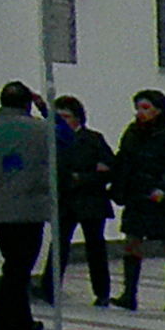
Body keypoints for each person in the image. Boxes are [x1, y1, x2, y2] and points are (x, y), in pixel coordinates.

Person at [0, 82, 56, 330]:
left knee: (14, 263)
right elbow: (67, 137)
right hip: (31, 208)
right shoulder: (42, 130)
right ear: (28, 103)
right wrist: (46, 109)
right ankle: (1, 326)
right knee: (19, 269)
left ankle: (23, 320)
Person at [113, 87, 165, 312]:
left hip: (164, 199)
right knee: (132, 243)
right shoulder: (132, 133)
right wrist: (118, 188)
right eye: (138, 108)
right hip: (137, 196)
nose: (140, 113)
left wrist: (163, 188)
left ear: (159, 111)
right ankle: (129, 294)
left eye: (146, 108)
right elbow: (123, 160)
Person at [51, 93, 117, 307]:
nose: (63, 121)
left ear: (78, 118)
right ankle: (50, 287)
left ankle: (102, 291)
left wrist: (84, 176)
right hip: (66, 199)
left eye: (66, 116)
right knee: (59, 245)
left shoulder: (93, 139)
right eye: (58, 117)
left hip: (91, 201)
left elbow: (110, 168)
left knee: (95, 247)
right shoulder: (54, 141)